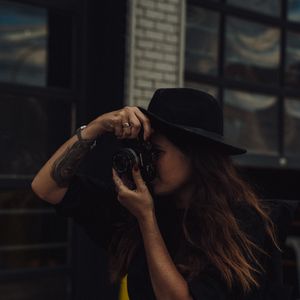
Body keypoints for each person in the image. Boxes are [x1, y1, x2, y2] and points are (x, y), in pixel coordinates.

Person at [31, 88, 298, 300]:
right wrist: (96, 127)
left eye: (155, 153)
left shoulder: (241, 223)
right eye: (143, 150)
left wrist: (147, 219)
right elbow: (46, 187)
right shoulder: (134, 208)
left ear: (195, 156)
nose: (146, 162)